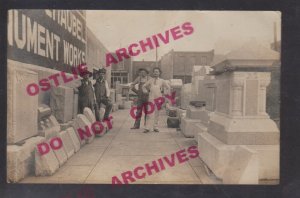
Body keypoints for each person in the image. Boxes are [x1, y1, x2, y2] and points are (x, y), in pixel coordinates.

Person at [142, 67, 171, 133]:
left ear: (159, 73)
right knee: (149, 112)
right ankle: (147, 128)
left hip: (159, 98)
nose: (155, 73)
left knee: (157, 113)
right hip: (151, 97)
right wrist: (145, 91)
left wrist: (165, 95)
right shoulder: (150, 80)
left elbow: (168, 87)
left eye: (157, 72)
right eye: (154, 72)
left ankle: (155, 127)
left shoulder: (162, 81)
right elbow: (144, 86)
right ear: (153, 73)